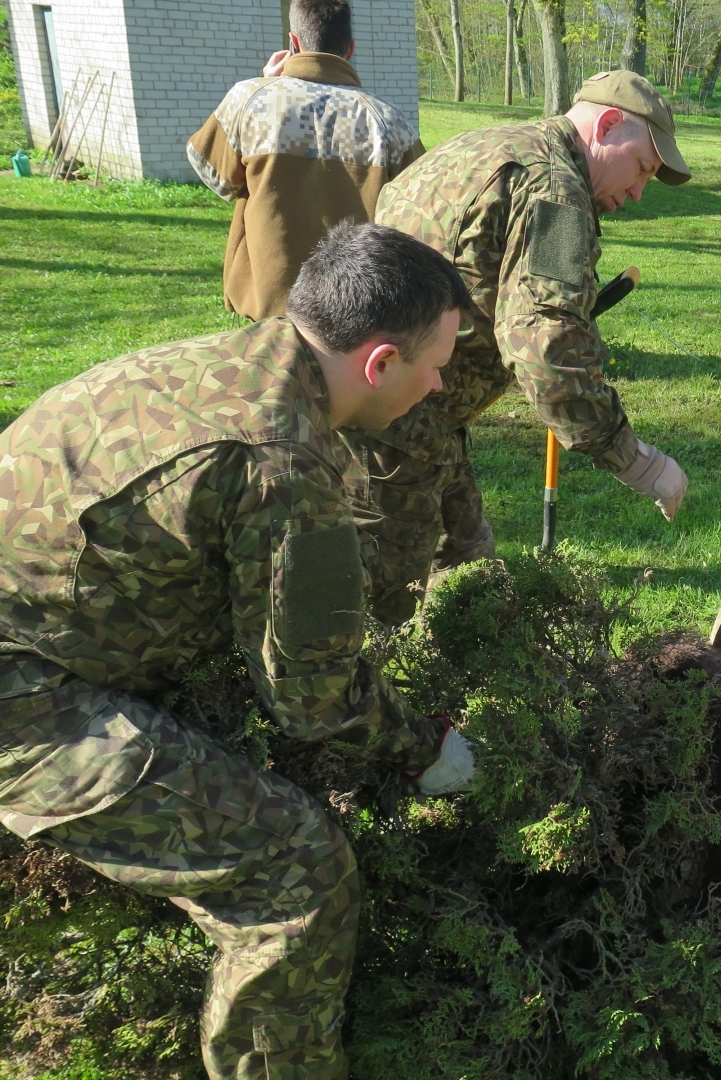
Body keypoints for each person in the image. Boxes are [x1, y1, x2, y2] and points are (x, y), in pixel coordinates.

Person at [0, 223, 477, 1078]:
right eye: (435, 364)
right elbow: (314, 695)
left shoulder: (230, 362)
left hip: (42, 634)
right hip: (20, 692)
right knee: (298, 869)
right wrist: (428, 748)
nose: (441, 384)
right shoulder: (282, 460)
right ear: (378, 363)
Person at [362, 69, 692, 626]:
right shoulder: (555, 189)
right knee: (384, 611)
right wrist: (635, 460)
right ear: (607, 125)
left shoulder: (484, 144)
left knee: (469, 576)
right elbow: (546, 346)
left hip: (399, 406)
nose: (637, 192)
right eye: (641, 168)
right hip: (394, 425)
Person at [187, 0, 425, 322]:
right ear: (350, 49)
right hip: (356, 307)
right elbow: (416, 217)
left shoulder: (249, 98)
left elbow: (218, 178)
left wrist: (265, 84)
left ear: (294, 42)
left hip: (269, 302)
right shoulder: (388, 120)